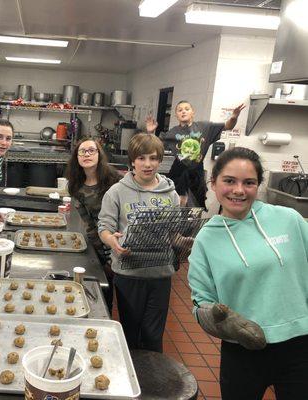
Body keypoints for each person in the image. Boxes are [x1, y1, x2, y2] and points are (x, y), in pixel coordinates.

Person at [188, 147, 308, 399]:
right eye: (229, 181)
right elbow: (201, 303)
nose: (239, 190)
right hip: (242, 349)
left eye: (249, 182)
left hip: (300, 343)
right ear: (213, 182)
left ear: (258, 185)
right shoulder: (205, 241)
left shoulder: (289, 219)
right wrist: (221, 323)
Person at [98, 133, 180, 353]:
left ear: (160, 161)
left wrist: (185, 241)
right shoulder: (116, 192)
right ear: (132, 160)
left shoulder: (170, 194)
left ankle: (153, 382)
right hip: (129, 273)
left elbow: (173, 233)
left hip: (160, 273)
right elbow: (104, 227)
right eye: (141, 158)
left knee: (154, 336)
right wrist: (112, 242)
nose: (147, 164)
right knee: (130, 334)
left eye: (153, 158)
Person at [146, 100, 245, 207]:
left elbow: (228, 126)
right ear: (176, 115)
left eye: (186, 109)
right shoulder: (172, 132)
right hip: (179, 169)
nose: (183, 111)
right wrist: (151, 132)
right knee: (174, 203)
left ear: (193, 112)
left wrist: (234, 117)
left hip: (197, 170)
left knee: (197, 205)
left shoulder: (205, 127)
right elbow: (155, 145)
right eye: (180, 110)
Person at [66, 137, 120, 312]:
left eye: (91, 150)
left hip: (120, 239)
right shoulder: (75, 186)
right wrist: (102, 256)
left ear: (99, 154)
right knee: (105, 289)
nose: (86, 154)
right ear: (77, 157)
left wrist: (113, 252)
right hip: (100, 241)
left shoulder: (114, 179)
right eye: (82, 151)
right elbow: (88, 223)